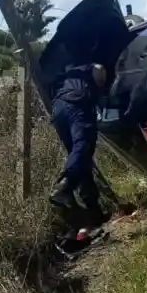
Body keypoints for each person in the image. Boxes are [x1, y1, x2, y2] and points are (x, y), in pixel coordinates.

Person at [49, 62, 109, 233]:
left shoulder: (66, 75)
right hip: (77, 105)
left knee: (80, 158)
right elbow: (99, 70)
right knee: (83, 146)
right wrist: (103, 87)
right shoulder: (91, 67)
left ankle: (94, 213)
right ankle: (64, 187)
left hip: (58, 109)